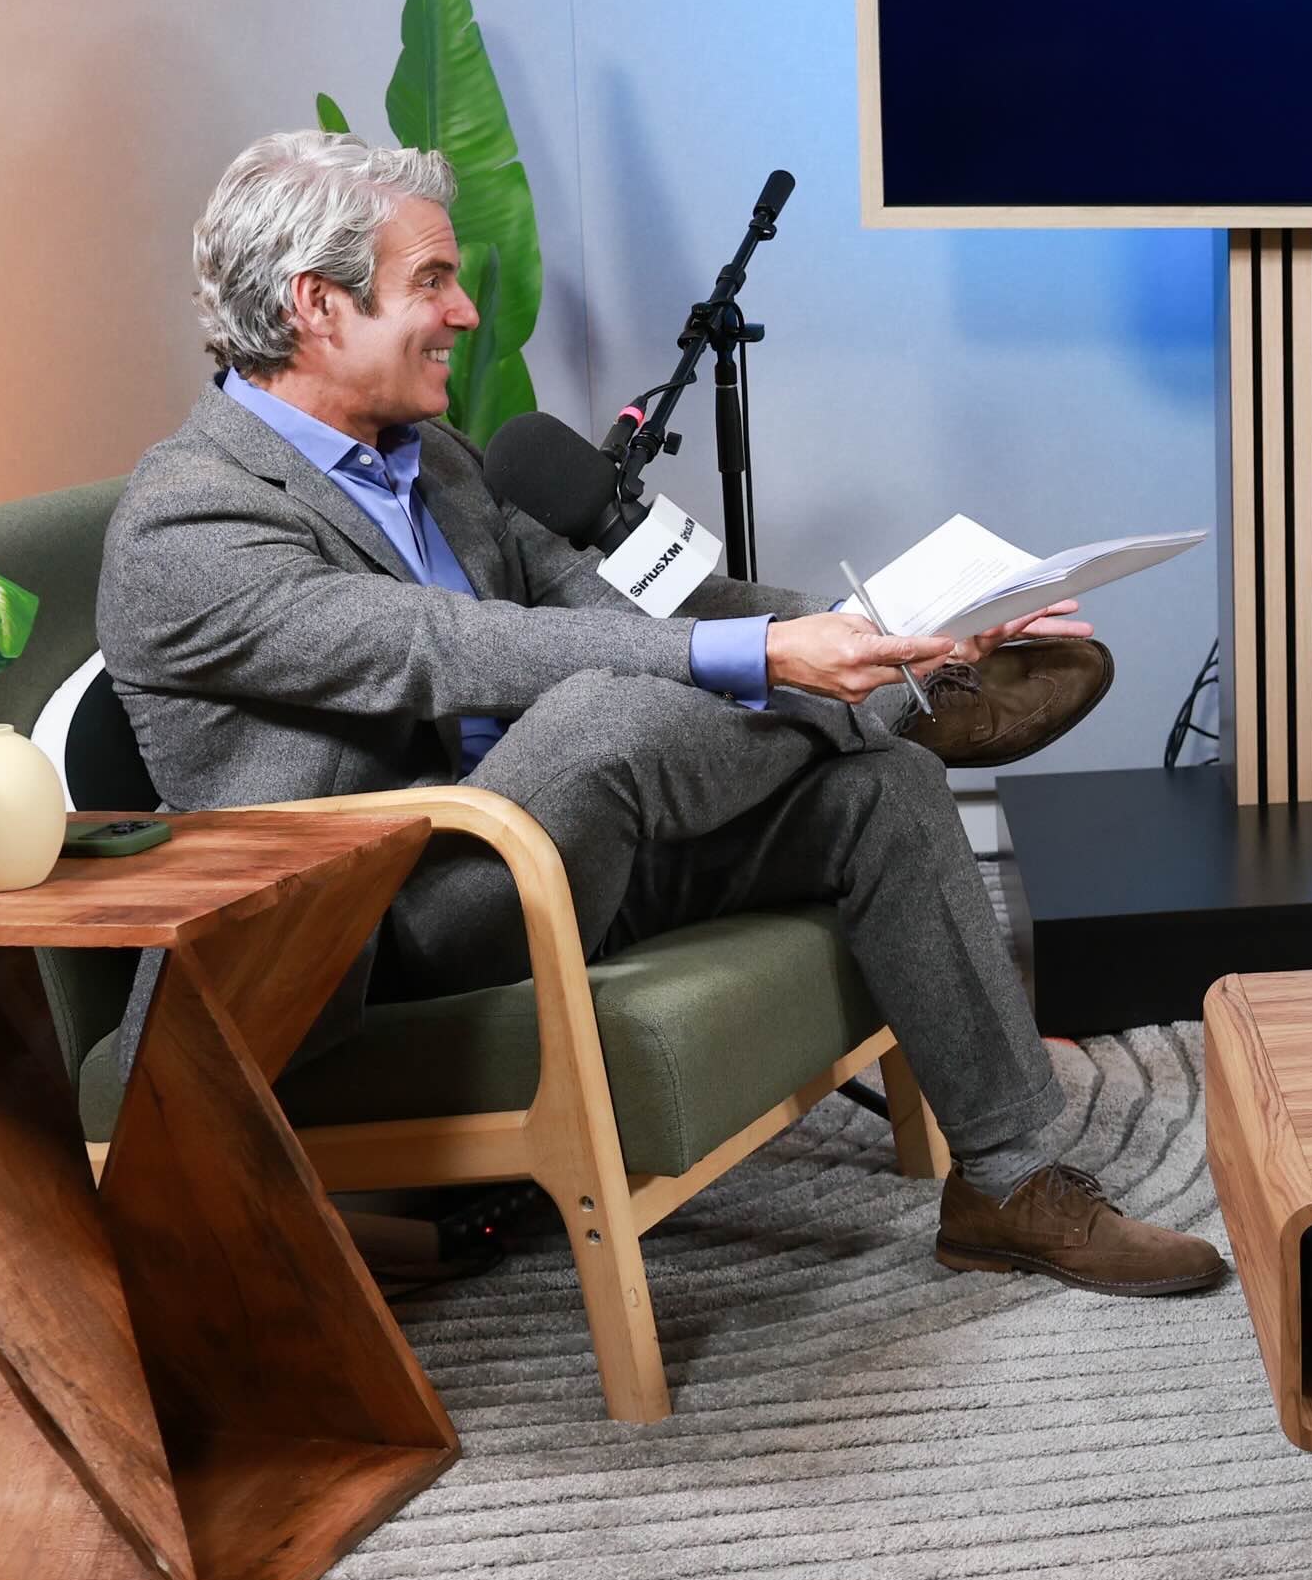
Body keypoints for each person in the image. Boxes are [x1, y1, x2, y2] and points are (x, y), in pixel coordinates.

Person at [100, 130, 1224, 1297]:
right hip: (386, 930)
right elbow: (448, 648)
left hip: (575, 848)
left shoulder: (427, 457)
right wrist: (800, 665)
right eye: (430, 281)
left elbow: (622, 606)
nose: (466, 313)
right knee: (601, 715)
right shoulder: (190, 521)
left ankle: (1010, 1181)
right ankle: (901, 708)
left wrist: (907, 629)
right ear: (318, 306)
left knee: (874, 791)